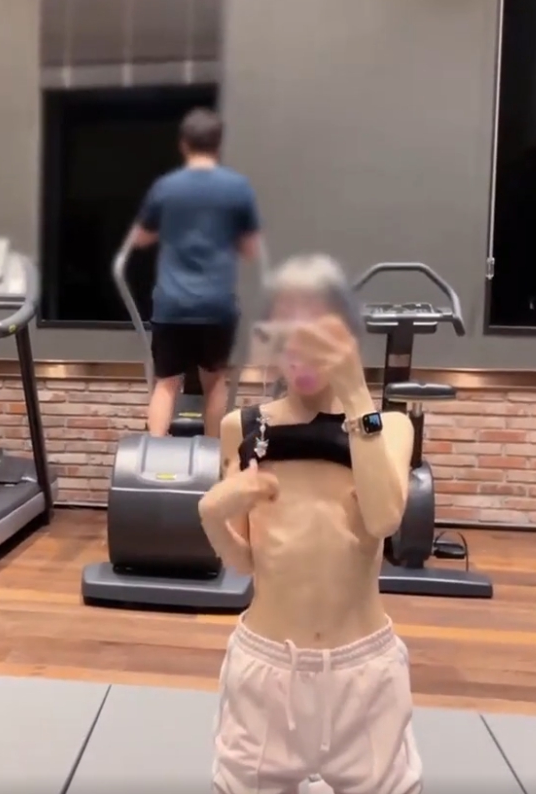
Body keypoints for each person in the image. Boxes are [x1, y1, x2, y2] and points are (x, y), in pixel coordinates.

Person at [198, 255, 423, 793]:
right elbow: (247, 561)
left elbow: (384, 517)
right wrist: (212, 516)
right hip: (267, 667)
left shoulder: (388, 426)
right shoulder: (243, 428)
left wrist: (358, 395)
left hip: (363, 673)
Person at [130, 107, 261, 438]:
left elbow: (141, 238)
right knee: (214, 383)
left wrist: (170, 229)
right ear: (218, 144)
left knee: (166, 383)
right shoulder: (238, 188)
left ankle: (153, 455)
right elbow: (250, 249)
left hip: (172, 304)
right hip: (217, 306)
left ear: (183, 144)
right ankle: (214, 457)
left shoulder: (165, 187)